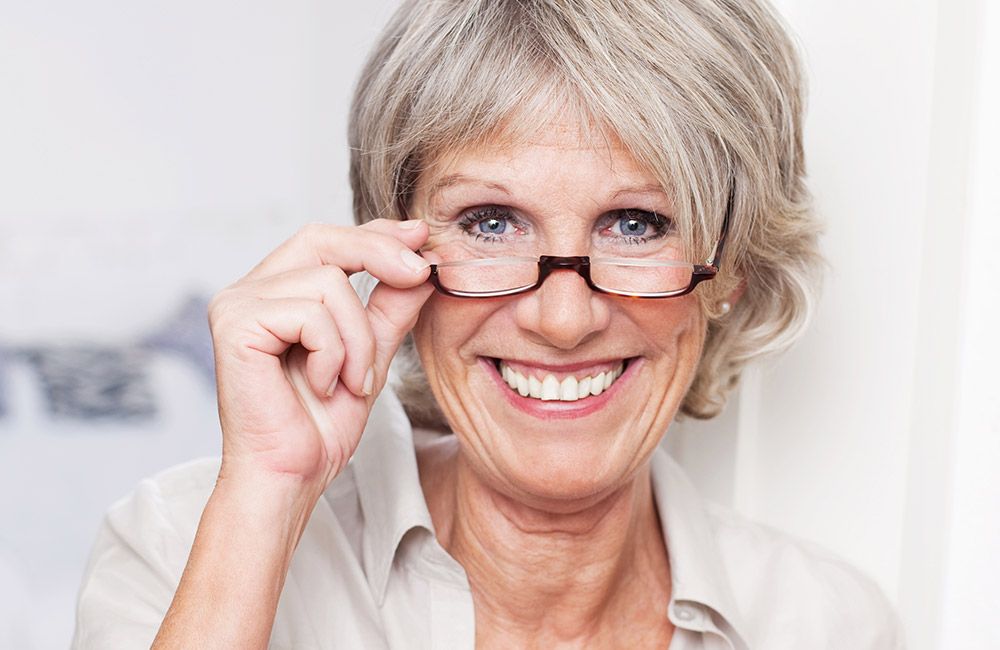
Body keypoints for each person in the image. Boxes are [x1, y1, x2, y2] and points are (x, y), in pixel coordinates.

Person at [73, 1, 904, 648]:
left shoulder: (823, 624)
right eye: (492, 222)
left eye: (637, 224)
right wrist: (265, 500)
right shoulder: (187, 547)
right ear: (393, 252)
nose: (564, 318)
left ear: (732, 271)